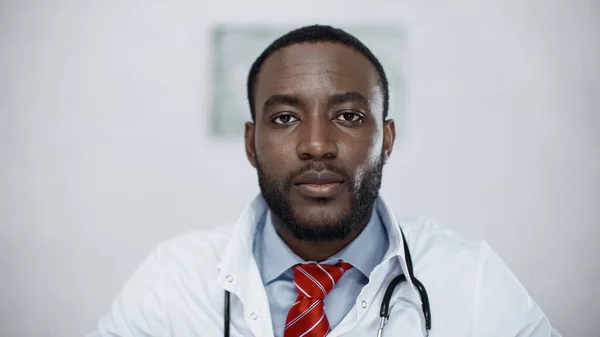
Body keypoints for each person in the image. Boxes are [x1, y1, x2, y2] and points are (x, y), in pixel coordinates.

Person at [87, 25, 561, 337]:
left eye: (350, 116)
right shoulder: (172, 284)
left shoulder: (471, 280)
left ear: (386, 139)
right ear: (251, 143)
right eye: (286, 118)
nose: (317, 145)